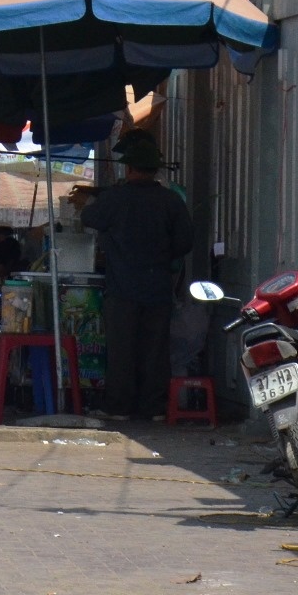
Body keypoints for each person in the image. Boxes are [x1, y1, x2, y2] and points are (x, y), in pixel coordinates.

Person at [80, 132, 193, 421]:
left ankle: (119, 407)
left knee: (122, 349)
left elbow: (88, 217)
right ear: (155, 169)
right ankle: (154, 408)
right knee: (155, 350)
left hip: (122, 288)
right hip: (158, 286)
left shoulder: (115, 198)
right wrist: (162, 254)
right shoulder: (171, 201)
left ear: (129, 168)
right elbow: (185, 242)